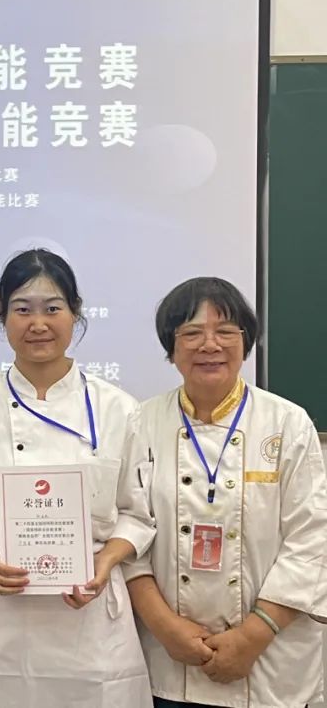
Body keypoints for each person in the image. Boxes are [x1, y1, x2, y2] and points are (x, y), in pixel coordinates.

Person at [0, 248, 155, 707]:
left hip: (91, 618)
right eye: (22, 310)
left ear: (75, 314)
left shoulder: (118, 408)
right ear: (2, 318)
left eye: (53, 309)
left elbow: (137, 513)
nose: (38, 324)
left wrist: (106, 562)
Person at [125, 277, 327, 708]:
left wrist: (253, 635)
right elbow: (129, 534)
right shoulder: (141, 423)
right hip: (171, 660)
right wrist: (165, 627)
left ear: (246, 341)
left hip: (269, 657)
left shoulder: (287, 423)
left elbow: (313, 539)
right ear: (171, 347)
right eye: (192, 333)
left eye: (225, 331)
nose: (209, 345)